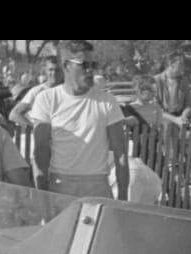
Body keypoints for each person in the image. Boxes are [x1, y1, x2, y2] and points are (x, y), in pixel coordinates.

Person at [30, 40, 128, 200]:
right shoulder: (46, 99)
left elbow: (120, 152)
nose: (90, 70)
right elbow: (40, 151)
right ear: (66, 65)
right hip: (59, 186)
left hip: (98, 187)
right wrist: (42, 195)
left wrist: (123, 197)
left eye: (93, 64)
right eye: (84, 64)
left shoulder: (108, 100)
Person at [10, 55, 62, 128]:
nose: (54, 73)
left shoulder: (68, 91)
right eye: (51, 70)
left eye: (57, 70)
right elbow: (14, 115)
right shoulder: (37, 91)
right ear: (45, 70)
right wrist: (35, 128)